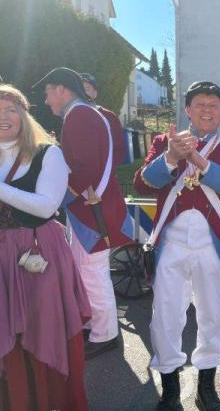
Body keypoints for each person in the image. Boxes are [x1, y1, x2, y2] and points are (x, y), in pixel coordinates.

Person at [134, 81, 220, 410]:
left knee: (212, 316)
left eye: (214, 105)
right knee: (165, 317)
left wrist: (198, 159)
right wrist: (172, 156)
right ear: (187, 109)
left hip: (212, 246)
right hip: (170, 245)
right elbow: (143, 183)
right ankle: (170, 387)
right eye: (200, 104)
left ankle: (206, 387)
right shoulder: (165, 142)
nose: (207, 110)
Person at [0, 84, 91, 410]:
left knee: (42, 328)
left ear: (24, 115)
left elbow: (46, 205)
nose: (3, 116)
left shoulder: (48, 154)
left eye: (10, 110)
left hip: (38, 251)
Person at [33, 67, 134, 359]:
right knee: (88, 270)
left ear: (61, 89)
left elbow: (84, 170)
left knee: (91, 272)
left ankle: (104, 334)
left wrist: (53, 198)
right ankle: (95, 327)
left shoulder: (79, 116)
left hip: (91, 211)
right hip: (93, 208)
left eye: (48, 93)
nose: (47, 100)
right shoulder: (86, 114)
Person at [80, 72, 126, 165]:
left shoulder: (109, 117)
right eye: (79, 89)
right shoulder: (70, 116)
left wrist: (102, 166)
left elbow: (119, 151)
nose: (82, 93)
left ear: (95, 93)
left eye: (87, 89)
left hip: (101, 171)